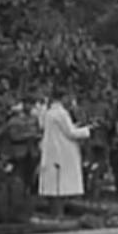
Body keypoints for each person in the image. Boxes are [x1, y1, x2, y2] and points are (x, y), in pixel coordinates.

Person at [38, 86, 92, 218]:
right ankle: (58, 214)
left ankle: (55, 213)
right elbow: (70, 132)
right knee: (60, 185)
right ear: (63, 98)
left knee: (53, 184)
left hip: (53, 150)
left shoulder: (49, 112)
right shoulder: (61, 113)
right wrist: (88, 130)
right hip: (61, 152)